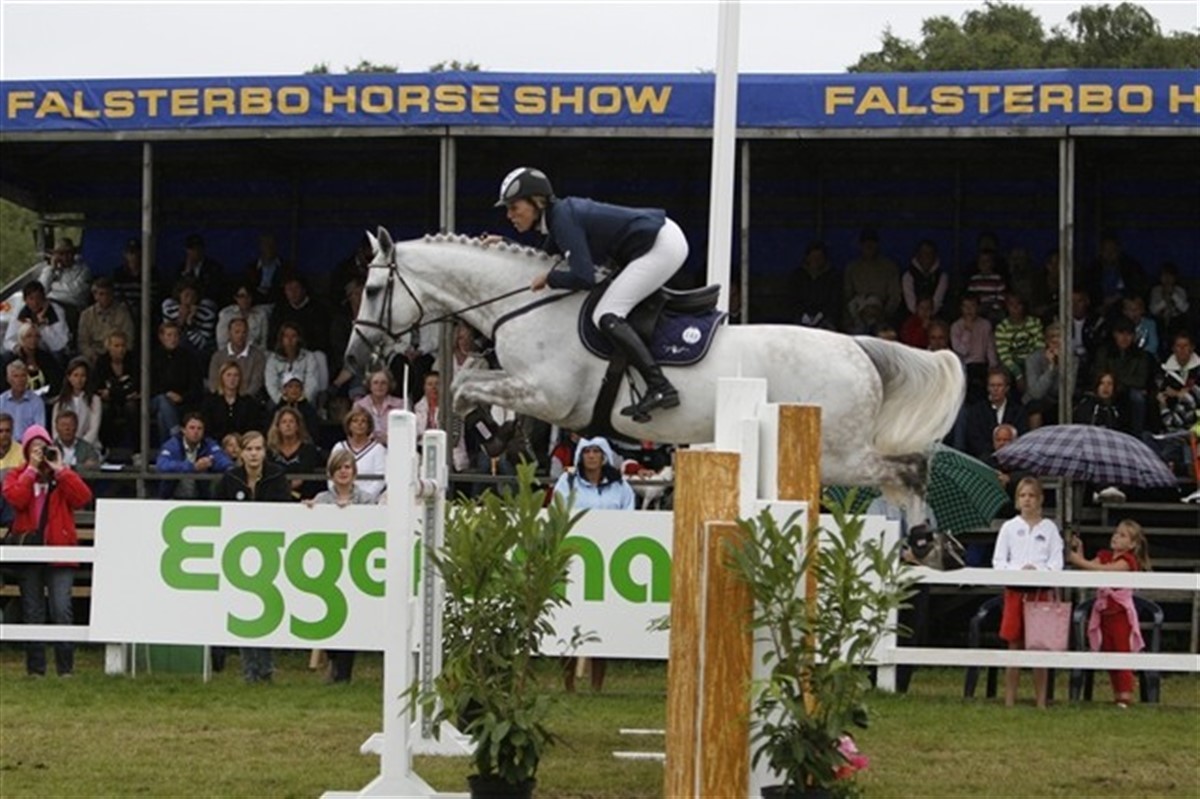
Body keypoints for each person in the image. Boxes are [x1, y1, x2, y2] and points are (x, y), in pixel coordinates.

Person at [492, 166, 687, 420]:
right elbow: (545, 258)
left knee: (606, 314)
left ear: (536, 201)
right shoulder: (557, 218)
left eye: (514, 207)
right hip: (656, 240)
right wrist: (506, 245)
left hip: (660, 246)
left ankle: (660, 387)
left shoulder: (562, 218)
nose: (509, 215)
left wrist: (550, 279)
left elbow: (583, 278)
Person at [2, 424, 94, 677]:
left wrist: (61, 470)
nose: (40, 453)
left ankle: (65, 669)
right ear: (26, 450)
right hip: (29, 553)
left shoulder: (61, 476)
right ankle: (36, 670)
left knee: (61, 609)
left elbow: (83, 498)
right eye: (34, 448)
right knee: (33, 611)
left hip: (59, 551)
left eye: (44, 448)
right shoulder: (16, 475)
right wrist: (31, 470)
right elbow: (16, 499)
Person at [551, 436, 634, 692]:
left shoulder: (620, 485)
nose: (592, 456)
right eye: (587, 451)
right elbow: (558, 510)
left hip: (609, 560)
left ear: (604, 455)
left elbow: (629, 515)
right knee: (568, 620)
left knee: (602, 621)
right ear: (580, 455)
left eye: (597, 451)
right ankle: (568, 684)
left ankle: (597, 685)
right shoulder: (568, 482)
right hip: (574, 558)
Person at [214, 430, 291, 684]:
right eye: (249, 449)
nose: (254, 454)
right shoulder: (230, 478)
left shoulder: (277, 476)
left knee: (266, 610)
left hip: (270, 550)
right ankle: (249, 669)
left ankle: (266, 668)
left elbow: (285, 511)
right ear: (241, 453)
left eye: (258, 449)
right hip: (238, 551)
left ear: (265, 452)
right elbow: (218, 509)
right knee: (244, 608)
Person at [304, 448, 376, 684]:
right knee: (328, 617)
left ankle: (343, 673)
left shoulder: (367, 499)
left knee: (351, 619)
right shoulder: (322, 499)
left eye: (347, 467)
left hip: (356, 564)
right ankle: (333, 661)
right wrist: (309, 510)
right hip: (328, 566)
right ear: (331, 473)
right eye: (338, 468)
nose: (343, 472)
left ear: (354, 472)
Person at [993, 477, 1063, 709]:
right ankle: (1009, 701)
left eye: (1032, 495)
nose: (1027, 500)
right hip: (1015, 592)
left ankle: (1041, 702)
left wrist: (1038, 571)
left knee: (1039, 648)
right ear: (1016, 500)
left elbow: (1056, 563)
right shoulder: (1009, 528)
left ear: (1040, 499)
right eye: (1022, 495)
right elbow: (999, 561)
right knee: (1014, 645)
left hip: (1040, 594)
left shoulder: (1050, 529)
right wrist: (1018, 571)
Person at [1067, 519, 1151, 707]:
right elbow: (1089, 567)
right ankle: (1117, 693)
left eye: (1122, 535)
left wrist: (1075, 559)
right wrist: (1079, 551)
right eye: (1116, 533)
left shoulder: (1128, 562)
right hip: (1104, 614)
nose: (1116, 537)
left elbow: (1104, 570)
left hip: (1121, 615)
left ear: (1132, 544)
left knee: (1122, 653)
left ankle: (1126, 694)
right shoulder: (1104, 555)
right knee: (1109, 652)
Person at [155, 412, 232, 500]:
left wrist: (228, 467)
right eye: (192, 428)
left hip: (201, 499)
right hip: (171, 498)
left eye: (199, 428)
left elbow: (221, 458)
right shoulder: (172, 444)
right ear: (183, 430)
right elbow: (162, 465)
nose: (196, 432)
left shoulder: (208, 444)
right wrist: (193, 467)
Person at [150, 321, 203, 446]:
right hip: (155, 399)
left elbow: (196, 386)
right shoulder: (153, 357)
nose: (172, 339)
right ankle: (178, 439)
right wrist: (167, 394)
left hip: (182, 401)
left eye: (175, 335)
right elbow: (149, 385)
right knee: (163, 400)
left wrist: (182, 397)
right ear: (161, 337)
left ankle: (167, 449)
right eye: (169, 335)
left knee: (162, 415)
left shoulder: (188, 357)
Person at [843, 227, 901, 331]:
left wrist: (884, 314)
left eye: (872, 243)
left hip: (881, 313)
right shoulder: (852, 268)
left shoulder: (889, 267)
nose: (869, 247)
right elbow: (847, 295)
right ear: (860, 245)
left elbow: (895, 297)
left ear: (877, 245)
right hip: (858, 313)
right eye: (865, 244)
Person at [93, 331, 140, 454]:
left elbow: (135, 385)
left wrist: (112, 391)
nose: (120, 349)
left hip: (127, 401)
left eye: (123, 345)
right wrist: (122, 391)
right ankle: (105, 449)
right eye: (116, 346)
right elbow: (98, 388)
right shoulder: (101, 362)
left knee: (132, 407)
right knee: (104, 409)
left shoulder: (133, 360)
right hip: (111, 402)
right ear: (109, 347)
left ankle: (137, 451)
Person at [267, 406, 325, 501]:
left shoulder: (308, 450)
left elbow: (303, 477)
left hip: (304, 499)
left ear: (297, 426)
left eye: (291, 421)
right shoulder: (270, 451)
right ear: (278, 426)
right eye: (284, 422)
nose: (288, 425)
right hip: (275, 497)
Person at [330, 407, 387, 502]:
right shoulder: (339, 447)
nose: (359, 424)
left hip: (368, 501)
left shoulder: (378, 449)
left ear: (369, 426)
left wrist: (363, 498)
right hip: (340, 500)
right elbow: (331, 474)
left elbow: (380, 479)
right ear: (349, 425)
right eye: (355, 421)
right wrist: (340, 495)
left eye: (363, 421)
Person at [76, 276, 135, 366]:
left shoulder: (123, 313)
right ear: (95, 296)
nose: (104, 297)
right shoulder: (86, 315)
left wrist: (116, 354)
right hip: (94, 355)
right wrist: (92, 355)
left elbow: (129, 340)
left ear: (112, 295)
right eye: (100, 294)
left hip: (116, 354)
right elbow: (82, 342)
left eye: (107, 294)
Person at [3, 282, 70, 359]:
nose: (35, 303)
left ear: (44, 298)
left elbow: (61, 344)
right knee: (6, 357)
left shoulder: (56, 311)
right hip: (26, 351)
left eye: (38, 298)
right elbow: (8, 340)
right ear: (25, 300)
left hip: (49, 351)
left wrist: (43, 325)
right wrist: (17, 347)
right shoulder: (21, 313)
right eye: (31, 298)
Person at [200, 361, 262, 444]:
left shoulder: (248, 402)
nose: (232, 379)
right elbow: (207, 429)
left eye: (236, 375)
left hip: (242, 445)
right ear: (221, 377)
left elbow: (252, 428)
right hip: (216, 444)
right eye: (228, 375)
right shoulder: (210, 401)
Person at [207, 316, 267, 399]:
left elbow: (256, 384)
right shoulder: (217, 357)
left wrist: (240, 400)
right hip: (221, 400)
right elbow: (213, 383)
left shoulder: (257, 356)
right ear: (229, 333)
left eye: (244, 332)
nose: (240, 336)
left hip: (248, 401)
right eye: (237, 332)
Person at [264, 321, 323, 406]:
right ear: (281, 339)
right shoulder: (273, 360)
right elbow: (271, 384)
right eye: (286, 336)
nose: (290, 339)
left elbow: (312, 382)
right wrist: (282, 400)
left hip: (304, 400)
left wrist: (302, 399)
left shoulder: (309, 357)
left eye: (293, 336)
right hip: (280, 400)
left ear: (299, 338)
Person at [161, 277, 220, 358]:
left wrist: (190, 324)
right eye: (186, 295)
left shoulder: (206, 313)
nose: (189, 300)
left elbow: (201, 343)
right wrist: (181, 320)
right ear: (179, 295)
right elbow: (169, 340)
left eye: (193, 297)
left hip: (198, 354)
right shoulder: (170, 309)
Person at [52, 357, 102, 447]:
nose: (79, 379)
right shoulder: (60, 402)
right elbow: (55, 430)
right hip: (64, 447)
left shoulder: (94, 400)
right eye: (75, 375)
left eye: (83, 376)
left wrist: (80, 447)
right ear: (69, 377)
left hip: (88, 446)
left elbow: (94, 430)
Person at [36, 237, 93, 314]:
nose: (65, 257)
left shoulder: (84, 270)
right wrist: (52, 268)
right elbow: (40, 290)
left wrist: (52, 286)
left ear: (73, 253)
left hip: (73, 309)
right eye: (61, 254)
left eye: (68, 253)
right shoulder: (51, 270)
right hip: (50, 305)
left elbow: (76, 293)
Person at [353, 369, 406, 446]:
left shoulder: (400, 404)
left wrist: (389, 439)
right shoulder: (359, 405)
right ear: (369, 386)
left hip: (394, 446)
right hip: (367, 447)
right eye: (375, 383)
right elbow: (354, 430)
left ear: (389, 385)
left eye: (383, 383)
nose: (379, 386)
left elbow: (405, 430)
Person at [215, 281, 271, 353]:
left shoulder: (261, 315)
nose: (245, 299)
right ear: (235, 297)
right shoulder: (226, 314)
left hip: (255, 355)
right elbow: (222, 344)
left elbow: (263, 344)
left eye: (248, 296)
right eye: (241, 296)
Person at [0, 361, 46, 441]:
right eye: (16, 376)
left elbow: (39, 431)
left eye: (23, 375)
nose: (20, 380)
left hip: (28, 444)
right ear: (8, 379)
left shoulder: (37, 402)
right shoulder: (1, 401)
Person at [176, 233, 226, 305]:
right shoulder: (181, 267)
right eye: (191, 249)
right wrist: (187, 272)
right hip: (184, 302)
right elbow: (177, 288)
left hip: (205, 301)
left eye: (197, 248)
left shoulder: (214, 267)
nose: (194, 252)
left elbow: (215, 290)